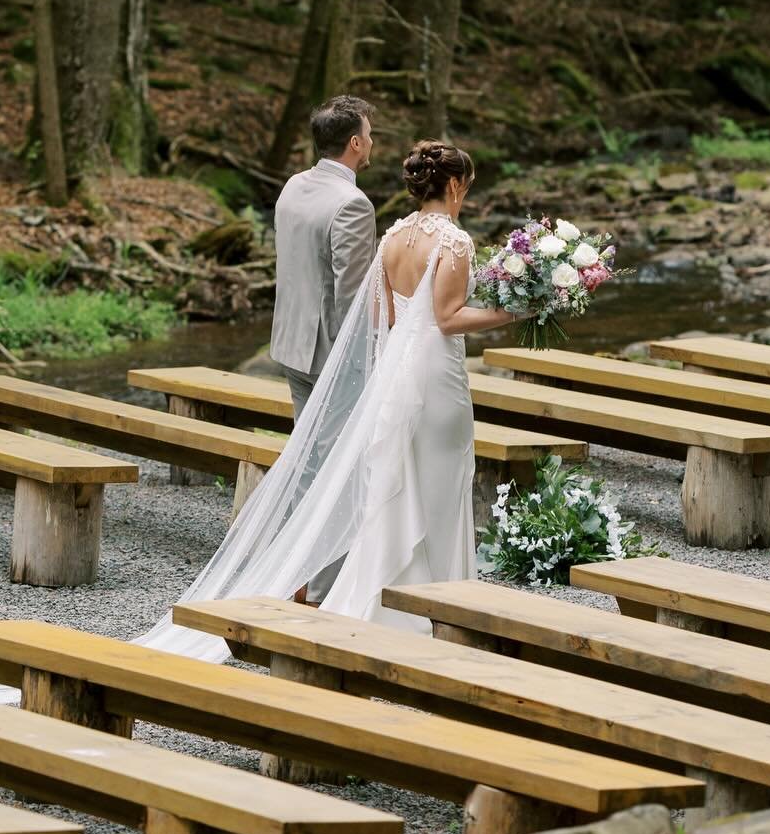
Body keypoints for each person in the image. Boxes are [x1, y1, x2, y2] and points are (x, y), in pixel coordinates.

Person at [140, 139, 508, 659]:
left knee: (396, 482)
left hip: (399, 373)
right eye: (466, 187)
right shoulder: (455, 242)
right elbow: (448, 318)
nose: (465, 196)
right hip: (437, 373)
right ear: (453, 185)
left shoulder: (392, 237)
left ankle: (388, 598)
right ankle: (444, 602)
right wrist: (512, 313)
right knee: (443, 480)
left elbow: (382, 318)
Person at [269, 95, 376, 420]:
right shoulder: (353, 204)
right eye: (369, 135)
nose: (372, 142)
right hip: (331, 356)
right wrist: (366, 361)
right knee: (336, 459)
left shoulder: (293, 185)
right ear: (355, 143)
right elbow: (352, 295)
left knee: (307, 452)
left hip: (290, 343)